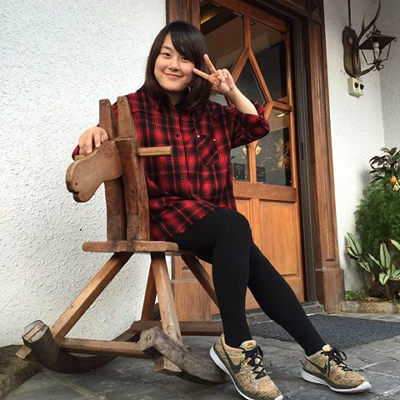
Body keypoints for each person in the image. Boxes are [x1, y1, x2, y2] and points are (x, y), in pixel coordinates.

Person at [75, 21, 371, 400]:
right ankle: (239, 343)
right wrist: (92, 134)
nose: (173, 65)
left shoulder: (211, 114)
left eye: (185, 59)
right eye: (166, 55)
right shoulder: (130, 108)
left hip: (213, 221)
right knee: (235, 225)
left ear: (198, 67)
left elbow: (257, 125)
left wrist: (230, 90)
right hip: (162, 217)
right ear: (154, 59)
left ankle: (314, 352)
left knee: (249, 253)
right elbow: (89, 151)